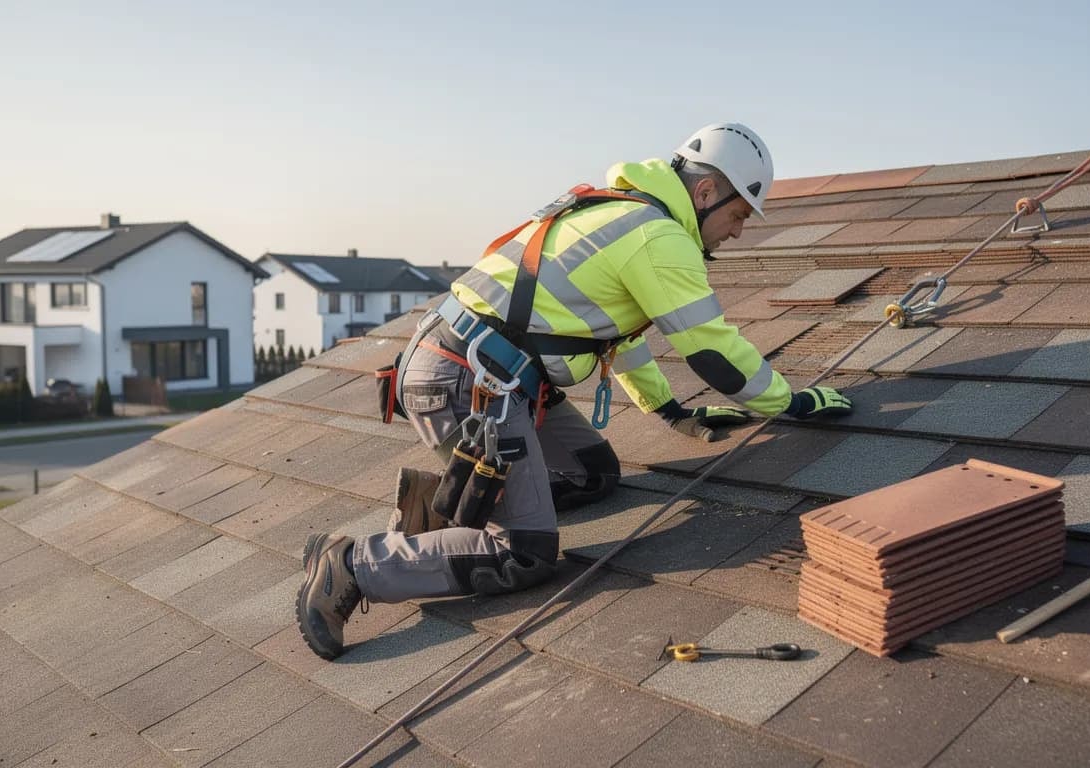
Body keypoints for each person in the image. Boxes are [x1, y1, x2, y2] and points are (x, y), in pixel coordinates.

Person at [297, 123, 853, 660]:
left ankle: (437, 513)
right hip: (470, 383)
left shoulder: (620, 211)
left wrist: (668, 409)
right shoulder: (658, 236)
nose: (737, 231)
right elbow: (713, 352)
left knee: (594, 473)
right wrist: (793, 402)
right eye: (736, 214)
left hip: (483, 370)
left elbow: (614, 329)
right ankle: (353, 565)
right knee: (527, 554)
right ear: (705, 192)